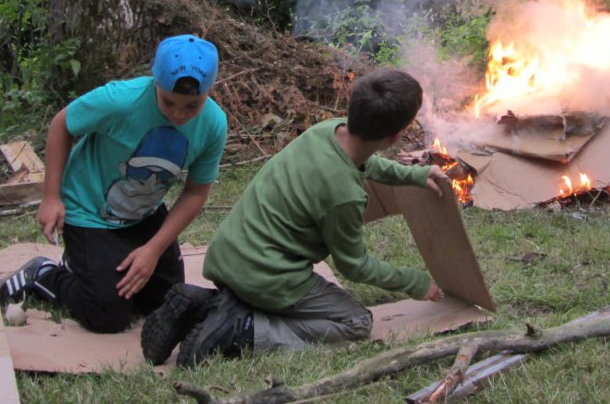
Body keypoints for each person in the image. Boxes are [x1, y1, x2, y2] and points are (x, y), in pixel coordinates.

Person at [140, 68, 446, 366]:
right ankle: (242, 331)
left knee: (304, 301)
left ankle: (208, 307)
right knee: (356, 322)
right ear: (394, 137)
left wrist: (414, 175)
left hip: (228, 255)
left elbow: (365, 164)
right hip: (264, 277)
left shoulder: (327, 131)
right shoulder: (344, 195)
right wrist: (416, 282)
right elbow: (354, 266)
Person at [0, 34, 228, 334]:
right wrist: (51, 197)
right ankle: (45, 274)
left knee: (168, 305)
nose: (178, 114)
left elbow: (196, 193)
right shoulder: (120, 101)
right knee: (107, 316)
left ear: (210, 91)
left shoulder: (214, 124)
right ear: (154, 80)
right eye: (169, 102)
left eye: (192, 106)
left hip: (143, 213)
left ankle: (97, 269)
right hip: (89, 211)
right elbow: (61, 125)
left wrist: (154, 249)